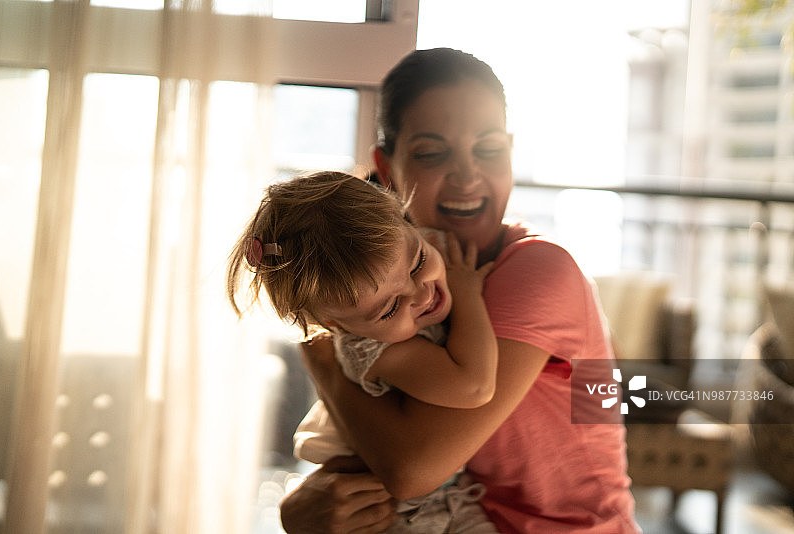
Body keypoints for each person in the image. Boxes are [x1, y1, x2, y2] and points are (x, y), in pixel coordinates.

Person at [278, 47, 641, 534]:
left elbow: (412, 470)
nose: (468, 176)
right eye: (431, 153)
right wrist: (302, 506)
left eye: (489, 150)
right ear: (385, 168)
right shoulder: (392, 290)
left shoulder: (538, 268)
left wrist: (324, 361)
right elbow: (376, 443)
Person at [226, 171, 501, 533]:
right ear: (336, 328)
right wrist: (466, 291)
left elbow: (599, 394)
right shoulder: (371, 348)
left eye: (418, 262)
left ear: (404, 217)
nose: (422, 294)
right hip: (408, 516)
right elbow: (474, 386)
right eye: (389, 309)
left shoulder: (412, 258)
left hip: (446, 501)